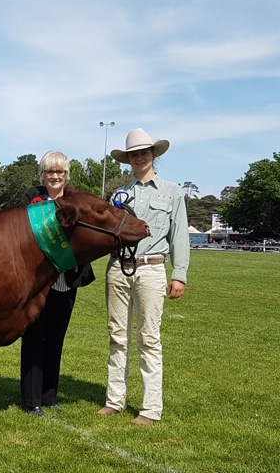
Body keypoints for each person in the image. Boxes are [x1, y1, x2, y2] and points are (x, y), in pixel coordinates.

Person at [98, 128, 189, 426]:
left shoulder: (172, 191)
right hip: (119, 268)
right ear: (128, 160)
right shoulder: (119, 194)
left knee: (149, 338)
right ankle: (115, 400)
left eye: (143, 152)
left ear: (153, 155)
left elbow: (179, 237)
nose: (139, 157)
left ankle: (150, 408)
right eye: (133, 154)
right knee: (117, 336)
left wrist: (179, 275)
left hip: (152, 269)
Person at [20, 150, 95, 417]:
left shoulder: (76, 199)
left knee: (55, 339)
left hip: (67, 279)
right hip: (39, 282)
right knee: (34, 339)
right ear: (43, 174)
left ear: (67, 175)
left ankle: (50, 396)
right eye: (50, 171)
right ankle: (31, 400)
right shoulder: (32, 197)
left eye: (60, 172)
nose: (55, 176)